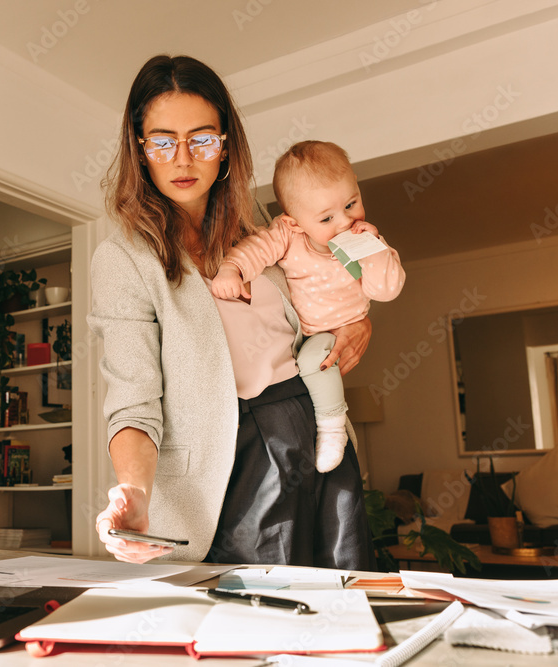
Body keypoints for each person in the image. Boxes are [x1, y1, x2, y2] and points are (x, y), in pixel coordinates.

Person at [87, 55, 375, 569]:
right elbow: (133, 400)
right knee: (258, 624)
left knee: (345, 605)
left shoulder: (262, 229)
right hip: (230, 465)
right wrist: (132, 490)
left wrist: (358, 323)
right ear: (139, 149)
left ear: (225, 147)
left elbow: (323, 294)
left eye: (201, 139)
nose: (182, 159)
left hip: (315, 432)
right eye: (161, 141)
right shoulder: (123, 259)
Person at [211, 141, 404, 473]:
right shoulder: (287, 236)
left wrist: (374, 251)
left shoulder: (364, 241)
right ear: (295, 222)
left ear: (357, 185)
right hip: (302, 332)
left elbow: (386, 290)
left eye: (351, 203)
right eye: (326, 217)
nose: (344, 221)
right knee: (308, 362)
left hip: (337, 329)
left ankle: (332, 428)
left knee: (315, 360)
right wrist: (233, 269)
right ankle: (330, 422)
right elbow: (256, 249)